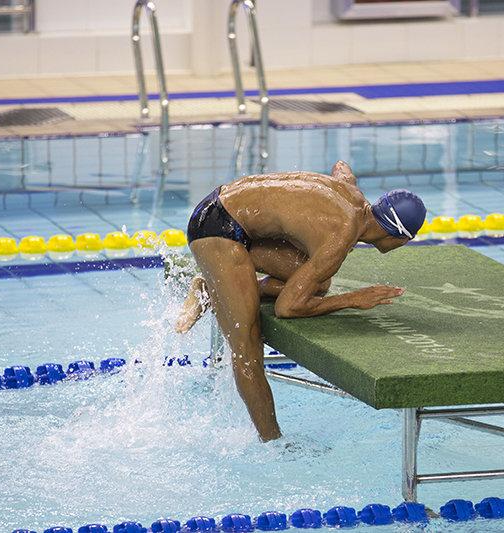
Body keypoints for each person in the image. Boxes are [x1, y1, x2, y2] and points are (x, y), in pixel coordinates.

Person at [175, 160, 427, 441]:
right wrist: (353, 299)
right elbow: (287, 308)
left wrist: (338, 179)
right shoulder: (340, 236)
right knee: (247, 347)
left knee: (318, 283)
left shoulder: (355, 198)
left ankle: (212, 290)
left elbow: (342, 170)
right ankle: (274, 444)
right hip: (215, 229)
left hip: (230, 211)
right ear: (400, 237)